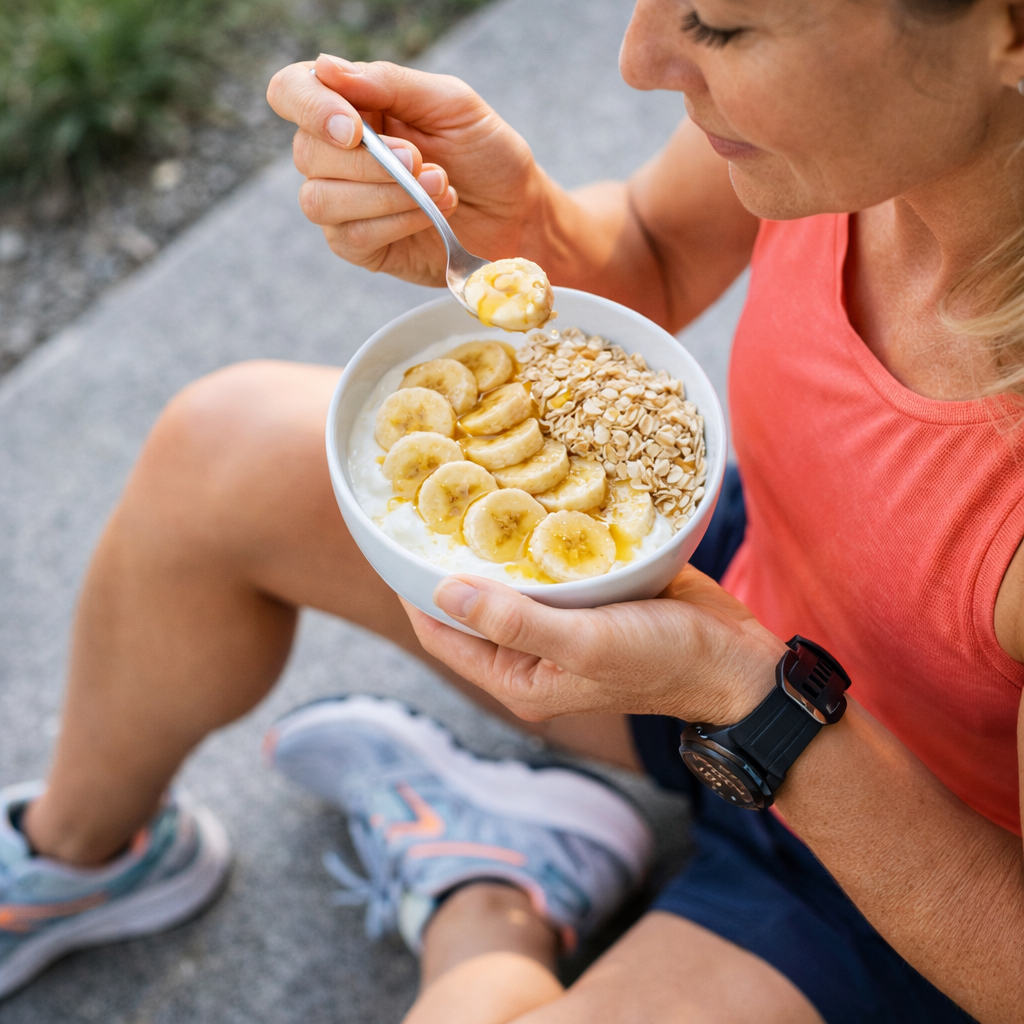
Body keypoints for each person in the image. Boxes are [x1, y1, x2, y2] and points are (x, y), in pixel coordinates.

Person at [1, 0, 1022, 1018]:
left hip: (906, 878)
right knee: (218, 446)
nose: (639, 62)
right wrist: (520, 221)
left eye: (717, 26)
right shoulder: (853, 143)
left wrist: (746, 702)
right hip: (737, 615)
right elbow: (656, 247)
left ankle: (486, 888)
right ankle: (82, 855)